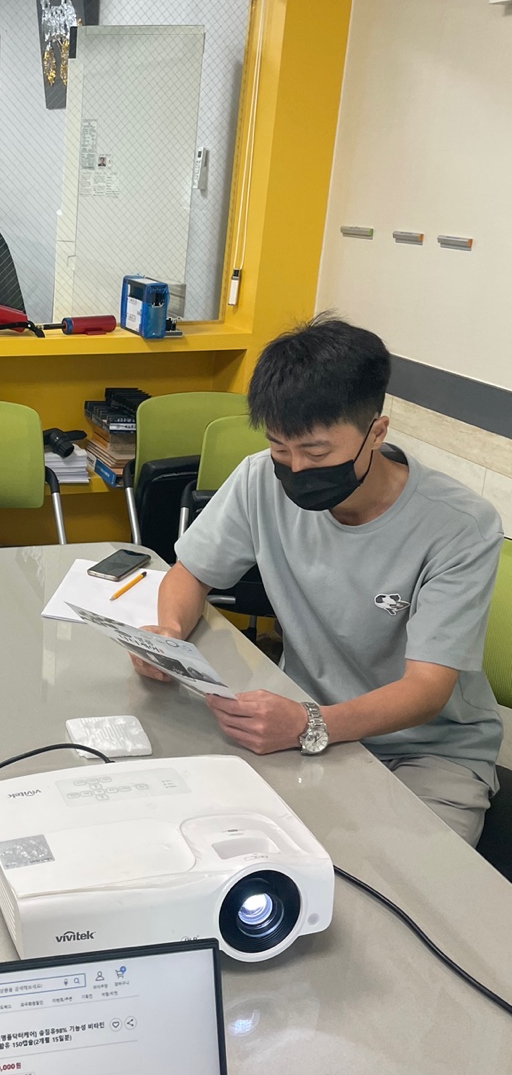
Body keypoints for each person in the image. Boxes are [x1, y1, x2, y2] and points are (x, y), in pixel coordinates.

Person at [132, 315, 504, 846]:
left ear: (376, 432)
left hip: (426, 752)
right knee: (221, 848)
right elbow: (190, 574)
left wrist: (312, 723)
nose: (296, 469)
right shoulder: (259, 479)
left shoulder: (459, 526)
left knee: (407, 883)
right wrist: (168, 634)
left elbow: (426, 691)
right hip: (297, 720)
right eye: (281, 449)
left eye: (317, 452)